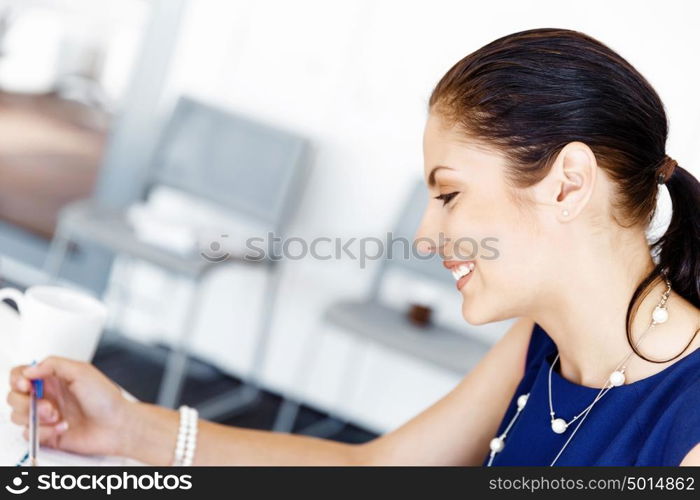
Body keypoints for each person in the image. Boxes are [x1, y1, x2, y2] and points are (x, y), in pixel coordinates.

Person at [6, 27, 700, 466]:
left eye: (450, 194)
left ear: (568, 184)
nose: (427, 237)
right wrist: (128, 430)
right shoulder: (539, 342)